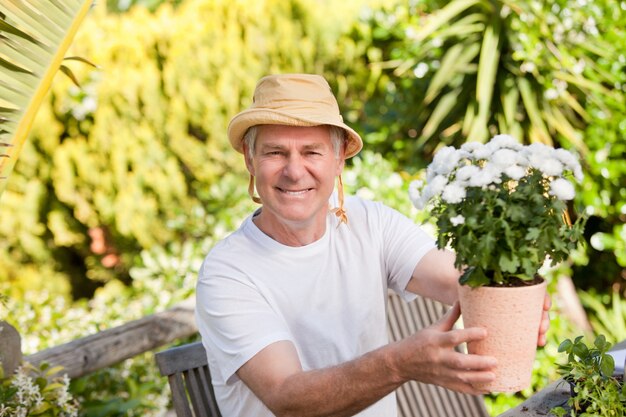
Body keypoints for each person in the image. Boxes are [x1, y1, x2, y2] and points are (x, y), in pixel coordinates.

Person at [195, 73, 551, 417]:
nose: (294, 170)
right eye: (275, 152)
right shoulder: (228, 272)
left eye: (311, 152)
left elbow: (454, 278)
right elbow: (287, 397)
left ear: (339, 159)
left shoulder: (369, 222)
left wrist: (510, 295)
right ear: (249, 158)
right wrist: (400, 363)